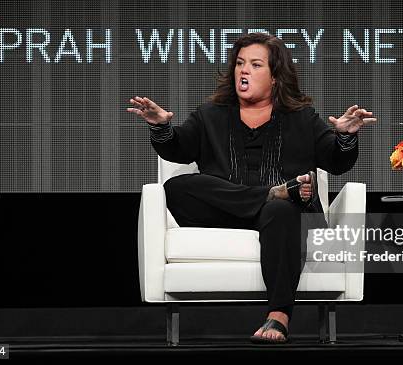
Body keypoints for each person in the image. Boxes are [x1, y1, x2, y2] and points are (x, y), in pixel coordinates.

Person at [127, 32, 376, 344]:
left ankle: (280, 315)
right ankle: (271, 193)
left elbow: (337, 162)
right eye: (240, 63)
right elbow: (178, 149)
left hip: (284, 216)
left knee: (283, 208)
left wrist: (346, 137)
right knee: (176, 189)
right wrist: (160, 127)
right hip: (226, 211)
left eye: (255, 65)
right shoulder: (210, 115)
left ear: (275, 77)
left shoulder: (301, 117)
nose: (243, 70)